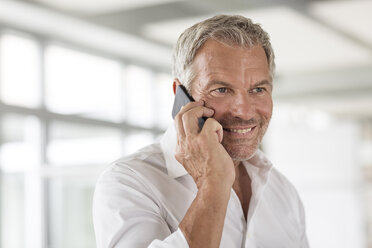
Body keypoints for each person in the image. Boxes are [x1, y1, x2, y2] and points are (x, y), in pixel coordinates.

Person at [93, 14, 309, 248]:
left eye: (258, 89)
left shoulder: (282, 191)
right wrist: (213, 185)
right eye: (222, 89)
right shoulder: (128, 182)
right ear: (181, 93)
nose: (244, 112)